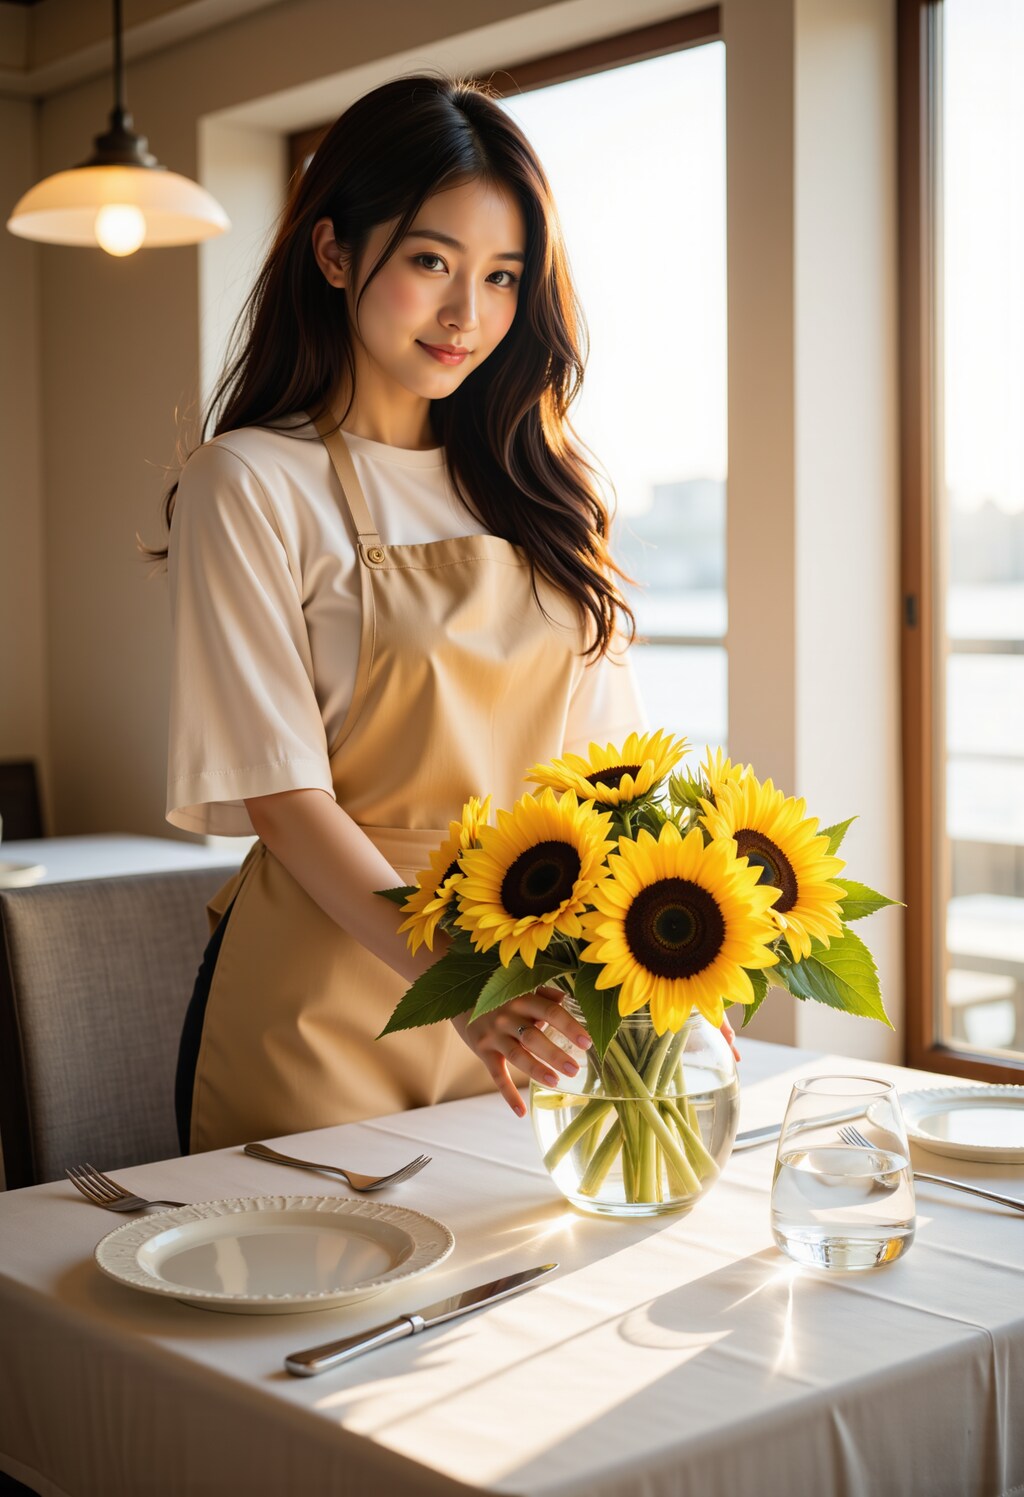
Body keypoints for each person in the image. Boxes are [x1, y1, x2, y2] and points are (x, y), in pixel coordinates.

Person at [162, 74, 654, 1156]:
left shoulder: (546, 497)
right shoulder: (246, 482)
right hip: (324, 1009)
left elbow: (609, 780)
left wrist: (661, 958)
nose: (465, 315)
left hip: (519, 1005)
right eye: (431, 261)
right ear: (335, 255)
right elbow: (284, 797)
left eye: (501, 276)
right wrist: (458, 990)